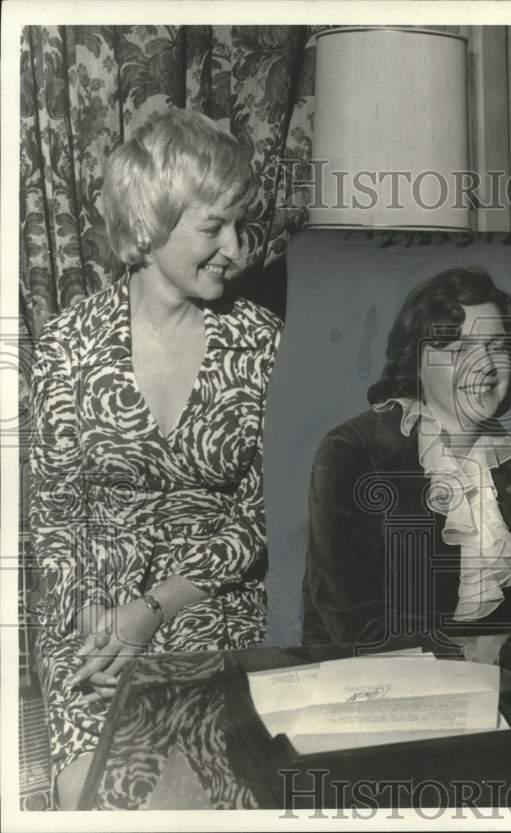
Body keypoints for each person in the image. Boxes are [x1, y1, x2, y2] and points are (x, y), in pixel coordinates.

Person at [28, 107, 281, 807]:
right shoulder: (67, 346)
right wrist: (97, 625)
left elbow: (263, 515)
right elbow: (54, 515)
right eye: (214, 226)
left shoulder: (262, 342)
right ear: (153, 220)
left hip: (214, 607)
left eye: (241, 225)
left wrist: (159, 605)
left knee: (235, 795)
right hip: (95, 617)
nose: (236, 246)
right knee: (105, 794)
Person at [302, 267, 511, 651]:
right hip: (371, 685)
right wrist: (471, 660)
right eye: (459, 349)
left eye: (495, 345)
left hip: (497, 694)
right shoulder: (353, 454)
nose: (485, 366)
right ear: (417, 360)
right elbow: (353, 625)